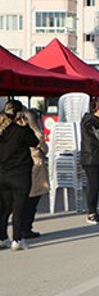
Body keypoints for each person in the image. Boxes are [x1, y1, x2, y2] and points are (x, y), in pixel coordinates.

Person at [0, 101, 39, 250]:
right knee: (18, 208)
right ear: (19, 114)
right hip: (20, 175)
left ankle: (2, 237)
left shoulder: (2, 131)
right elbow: (35, 142)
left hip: (2, 174)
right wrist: (26, 126)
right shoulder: (21, 131)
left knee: (4, 209)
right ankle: (17, 239)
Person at [20, 109, 48, 240]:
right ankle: (26, 228)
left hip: (24, 167)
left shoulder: (19, 132)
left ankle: (21, 227)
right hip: (37, 166)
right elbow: (44, 149)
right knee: (33, 200)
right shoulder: (37, 134)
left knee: (24, 200)